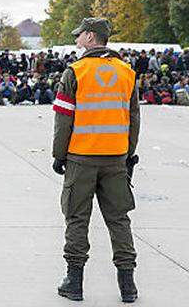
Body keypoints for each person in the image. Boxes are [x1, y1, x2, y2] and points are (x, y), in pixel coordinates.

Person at [52, 18, 140, 303]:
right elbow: (134, 118)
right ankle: (128, 286)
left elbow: (63, 119)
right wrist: (128, 153)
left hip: (81, 157)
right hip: (115, 157)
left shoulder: (75, 72)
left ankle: (74, 283)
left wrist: (59, 154)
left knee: (77, 218)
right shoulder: (127, 72)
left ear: (91, 37)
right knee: (119, 220)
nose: (77, 40)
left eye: (80, 36)